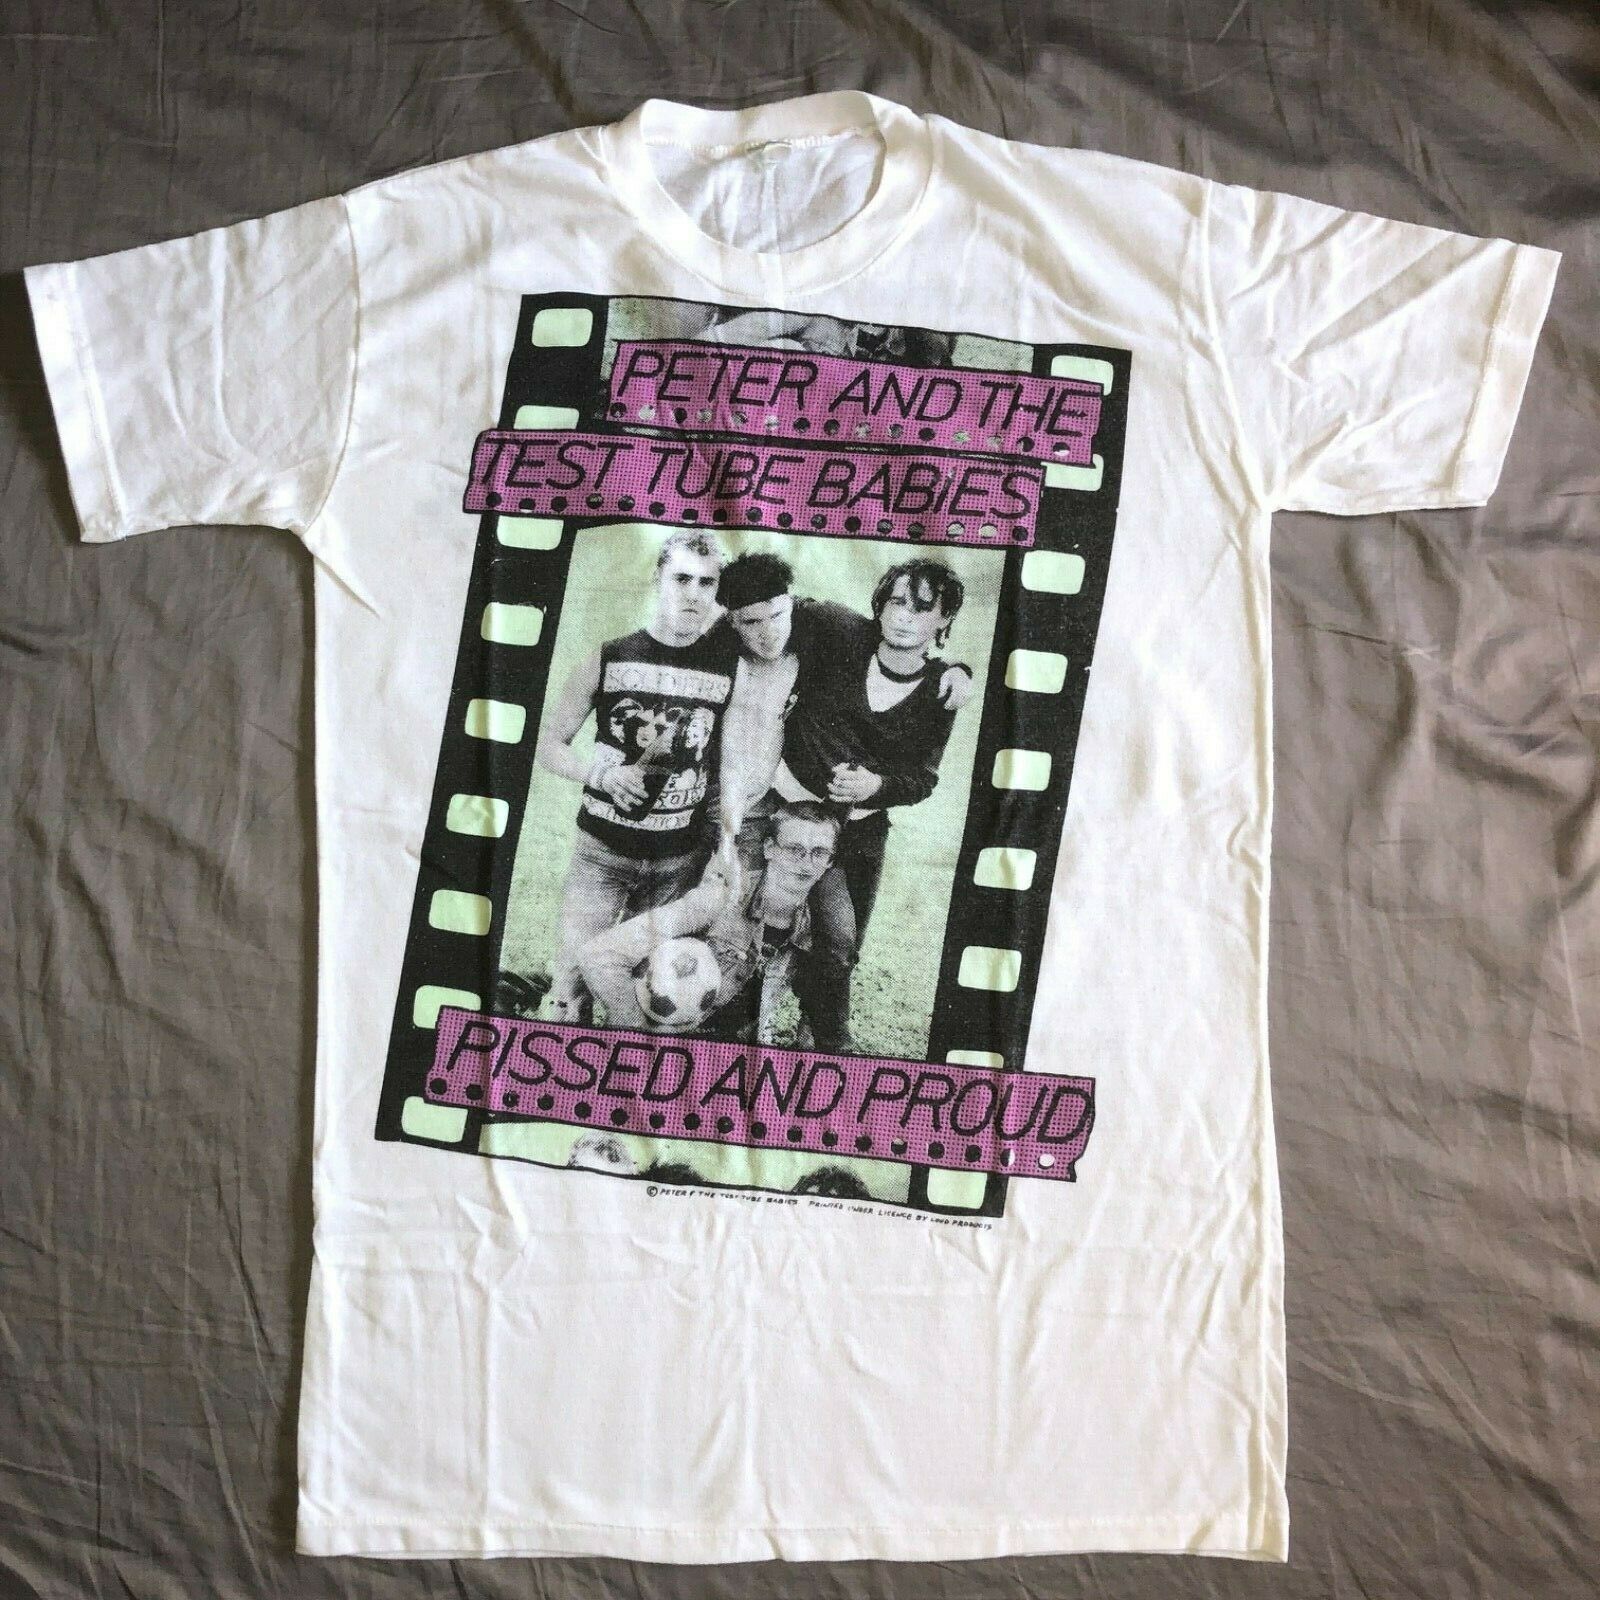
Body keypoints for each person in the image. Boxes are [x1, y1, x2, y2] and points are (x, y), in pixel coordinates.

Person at [534, 529, 739, 1019]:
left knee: (649, 993)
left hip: (677, 860)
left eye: (707, 583)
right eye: (682, 579)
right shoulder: (611, 656)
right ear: (658, 578)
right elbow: (547, 744)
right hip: (602, 853)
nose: (694, 594)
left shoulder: (729, 667)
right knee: (567, 994)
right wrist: (602, 775)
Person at [577, 800, 842, 1045]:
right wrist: (634, 1028)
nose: (805, 863)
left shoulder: (821, 927)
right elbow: (599, 954)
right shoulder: (720, 898)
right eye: (794, 849)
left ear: (830, 862)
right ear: (769, 848)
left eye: (818, 853)